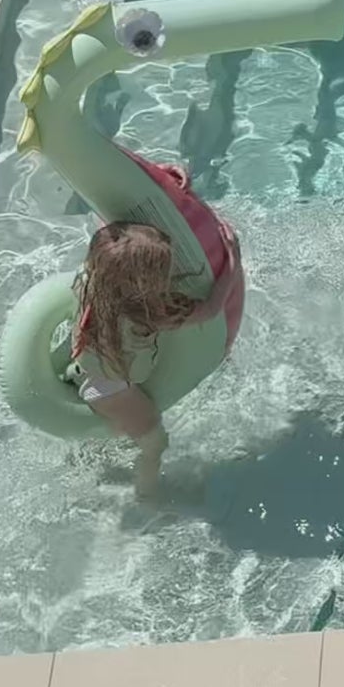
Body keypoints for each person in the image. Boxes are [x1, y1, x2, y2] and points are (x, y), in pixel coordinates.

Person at [64, 158, 245, 503]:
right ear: (143, 286)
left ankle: (97, 445)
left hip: (87, 361)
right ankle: (146, 495)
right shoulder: (148, 314)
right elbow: (211, 309)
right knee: (154, 439)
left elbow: (112, 226)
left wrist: (165, 185)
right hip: (110, 389)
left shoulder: (92, 277)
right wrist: (232, 265)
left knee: (120, 424)